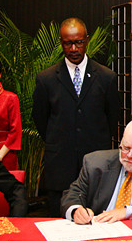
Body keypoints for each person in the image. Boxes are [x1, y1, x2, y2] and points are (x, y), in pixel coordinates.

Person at [33, 17, 121, 217]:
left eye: (78, 42)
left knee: (96, 223)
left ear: (87, 40)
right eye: (68, 43)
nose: (73, 49)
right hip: (60, 165)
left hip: (96, 166)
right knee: (58, 222)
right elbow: (41, 119)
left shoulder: (106, 77)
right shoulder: (46, 79)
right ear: (61, 43)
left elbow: (112, 118)